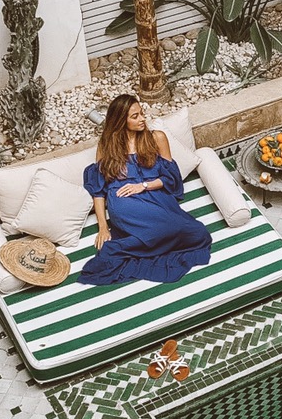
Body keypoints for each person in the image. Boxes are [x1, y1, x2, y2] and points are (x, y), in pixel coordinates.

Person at [79, 94, 212, 286]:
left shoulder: (156, 138)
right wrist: (103, 226)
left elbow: (170, 178)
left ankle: (121, 248)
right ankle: (130, 246)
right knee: (167, 230)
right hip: (124, 200)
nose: (142, 119)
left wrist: (143, 186)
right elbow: (99, 190)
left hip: (154, 195)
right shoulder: (107, 145)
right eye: (135, 116)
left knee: (199, 234)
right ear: (121, 120)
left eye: (141, 113)